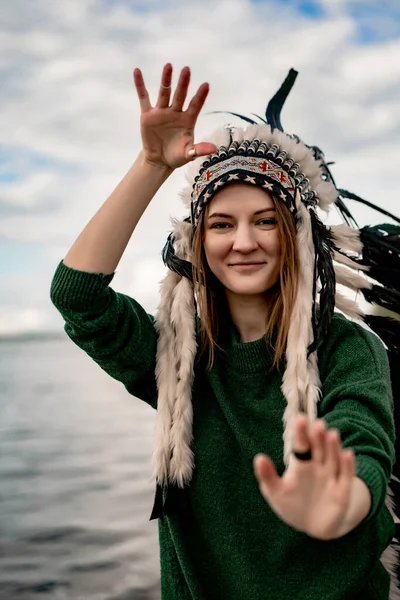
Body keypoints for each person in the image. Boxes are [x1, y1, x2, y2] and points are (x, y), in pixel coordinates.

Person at [50, 64, 400, 599]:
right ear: (197, 241)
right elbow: (77, 297)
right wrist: (150, 165)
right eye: (221, 223)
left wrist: (339, 503)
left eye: (265, 221)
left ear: (295, 236)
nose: (242, 241)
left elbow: (364, 452)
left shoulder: (348, 350)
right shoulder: (174, 356)